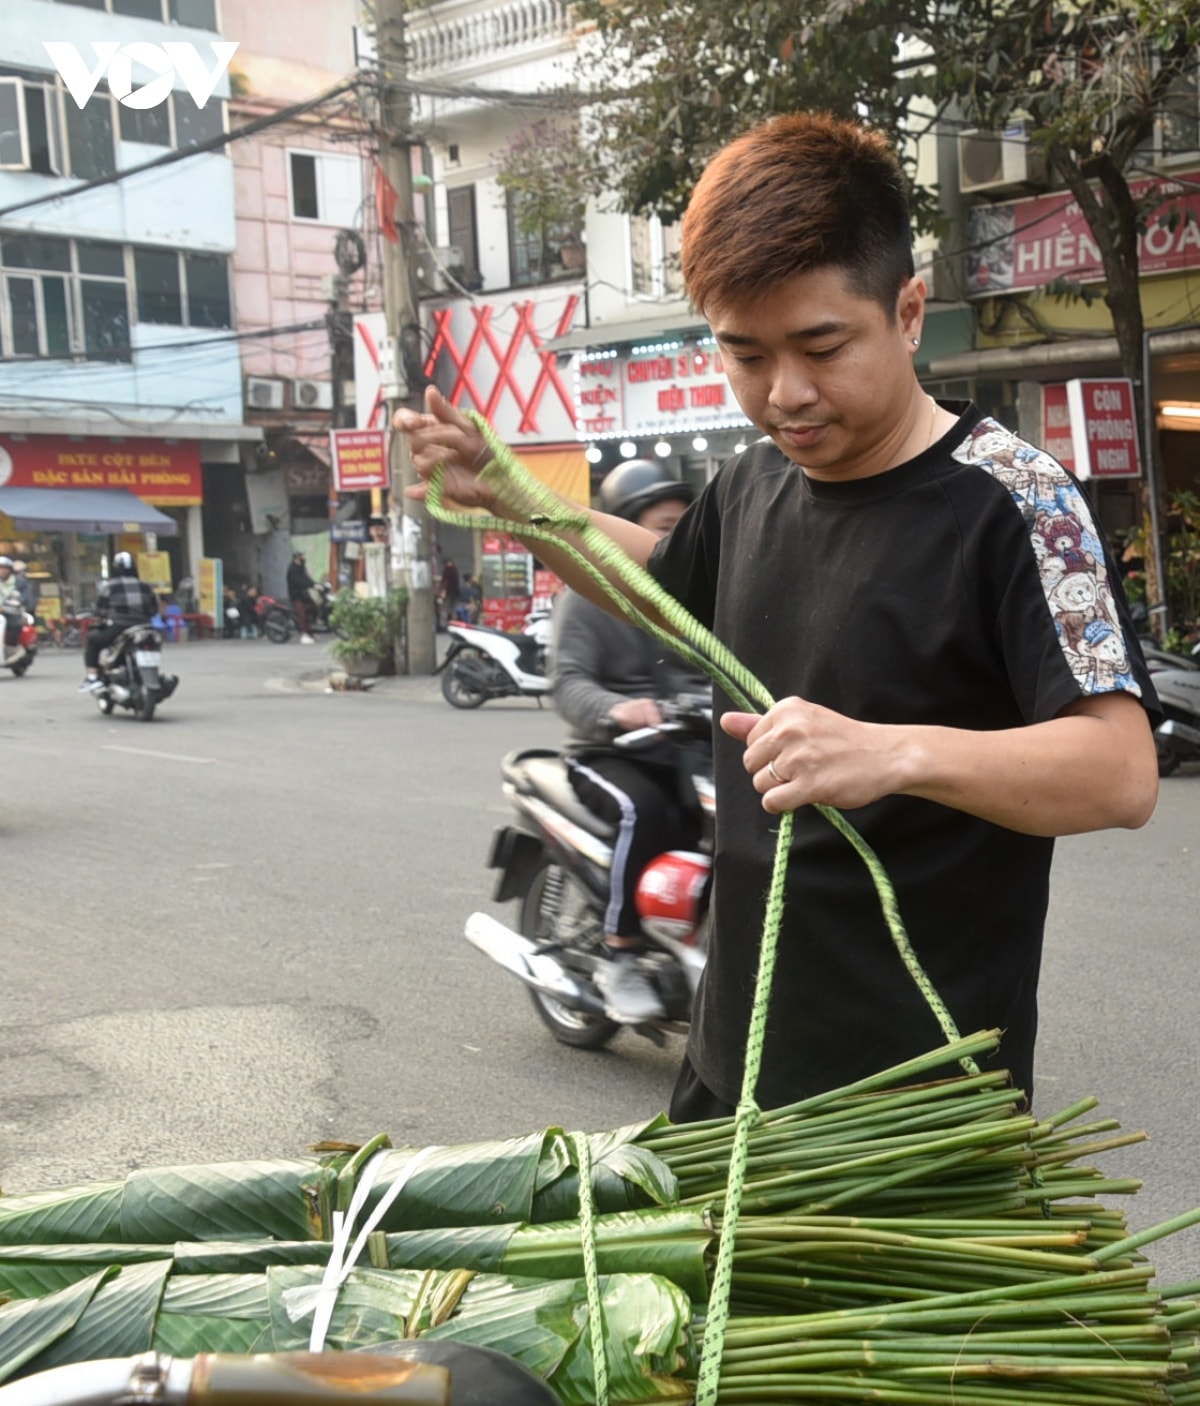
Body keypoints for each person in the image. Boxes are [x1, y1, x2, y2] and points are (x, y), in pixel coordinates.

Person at [395, 111, 1159, 1119]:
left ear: (909, 309)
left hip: (915, 1104)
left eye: (821, 344)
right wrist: (514, 497)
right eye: (745, 354)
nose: (785, 393)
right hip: (734, 1058)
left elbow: (1120, 768)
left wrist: (895, 753)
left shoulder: (1018, 503)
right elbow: (661, 588)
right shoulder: (752, 482)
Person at [552, 460, 710, 1023]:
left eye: (677, 528)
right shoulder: (586, 594)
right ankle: (618, 956)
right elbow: (567, 682)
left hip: (685, 750)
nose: (670, 540)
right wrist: (618, 710)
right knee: (644, 812)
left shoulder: (686, 597)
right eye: (663, 526)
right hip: (608, 752)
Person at [79, 551, 159, 691]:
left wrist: (102, 616)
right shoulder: (146, 587)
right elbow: (153, 609)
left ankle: (92, 678)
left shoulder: (109, 586)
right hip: (145, 629)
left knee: (92, 640)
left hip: (119, 628)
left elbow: (99, 610)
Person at [287, 551, 316, 644]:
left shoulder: (301, 568)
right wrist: (311, 585)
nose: (303, 558)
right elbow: (300, 581)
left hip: (304, 595)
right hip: (296, 596)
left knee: (314, 608)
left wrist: (315, 584)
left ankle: (310, 631)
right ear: (296, 558)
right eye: (301, 557)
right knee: (302, 614)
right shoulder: (292, 570)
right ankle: (304, 634)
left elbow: (306, 578)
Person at [0, 557, 25, 661]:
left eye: (5, 568)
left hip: (12, 610)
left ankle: (10, 647)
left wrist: (16, 603)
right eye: (0, 568)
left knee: (16, 624)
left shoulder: (19, 582)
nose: (3, 571)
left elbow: (25, 597)